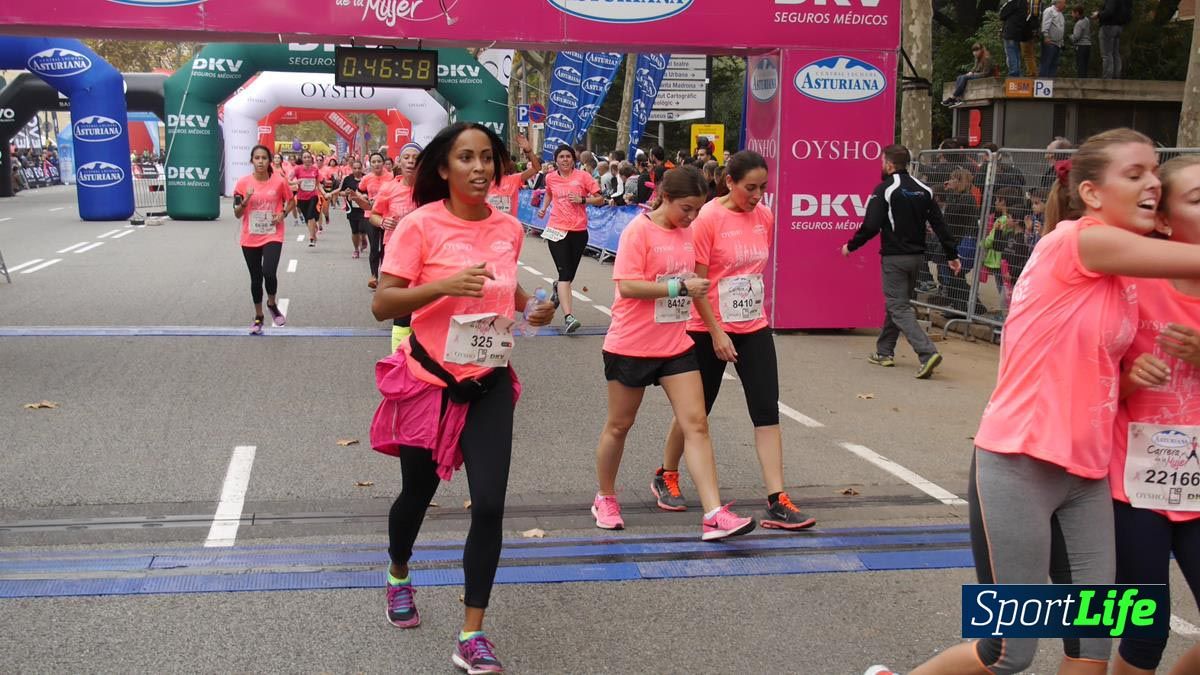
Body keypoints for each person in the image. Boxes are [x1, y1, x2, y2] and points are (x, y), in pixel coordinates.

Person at [870, 128, 1200, 675]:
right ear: (1092, 193)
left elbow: (1109, 374)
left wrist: (1136, 376)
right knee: (1008, 653)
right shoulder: (1076, 240)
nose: (1150, 185)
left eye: (1154, 175)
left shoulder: (1124, 281)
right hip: (1019, 464)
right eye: (1135, 173)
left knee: (1092, 642)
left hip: (1089, 474)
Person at [369, 121, 554, 675]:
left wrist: (530, 307)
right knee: (415, 497)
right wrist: (443, 287)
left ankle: (472, 634)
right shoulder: (419, 225)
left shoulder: (508, 227)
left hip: (489, 382)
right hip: (430, 386)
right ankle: (398, 569)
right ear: (444, 168)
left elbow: (505, 287)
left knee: (491, 505)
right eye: (466, 158)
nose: (479, 168)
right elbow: (384, 304)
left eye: (487, 158)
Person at [591, 165, 756, 541]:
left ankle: (713, 512)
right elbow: (628, 287)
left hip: (675, 346)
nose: (691, 217)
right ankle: (605, 497)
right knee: (619, 426)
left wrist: (713, 325)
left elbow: (696, 285)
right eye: (686, 208)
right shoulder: (638, 230)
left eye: (698, 209)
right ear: (665, 197)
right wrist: (677, 288)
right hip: (630, 344)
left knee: (696, 423)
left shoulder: (689, 232)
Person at [653, 152, 816, 530]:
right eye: (750, 188)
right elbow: (699, 283)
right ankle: (666, 473)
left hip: (753, 326)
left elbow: (752, 273)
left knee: (766, 410)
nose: (758, 195)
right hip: (705, 327)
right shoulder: (708, 218)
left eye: (763, 188)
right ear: (729, 181)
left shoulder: (765, 217)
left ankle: (777, 499)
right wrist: (716, 331)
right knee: (696, 412)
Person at [1110, 155, 1200, 675]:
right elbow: (1084, 384)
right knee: (1147, 630)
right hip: (1134, 488)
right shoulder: (1132, 284)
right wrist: (1126, 378)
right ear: (1164, 222)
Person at [842, 144, 960, 379]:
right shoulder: (924, 189)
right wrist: (951, 255)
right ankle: (883, 352)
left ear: (889, 164)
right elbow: (939, 224)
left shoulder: (885, 189)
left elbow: (871, 225)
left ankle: (927, 353)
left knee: (898, 306)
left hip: (894, 258)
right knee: (897, 303)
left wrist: (851, 245)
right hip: (917, 259)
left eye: (882, 162)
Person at [536, 144, 604, 334]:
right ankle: (569, 317)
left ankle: (558, 288)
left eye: (568, 157)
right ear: (556, 160)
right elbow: (549, 192)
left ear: (573, 159)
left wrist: (583, 200)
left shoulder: (583, 177)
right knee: (565, 273)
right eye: (561, 157)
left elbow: (600, 199)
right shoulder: (550, 177)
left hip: (579, 231)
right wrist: (544, 207)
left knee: (569, 274)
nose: (565, 159)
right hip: (556, 230)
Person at [232, 145, 293, 335]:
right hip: (250, 236)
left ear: (269, 160)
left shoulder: (279, 181)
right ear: (252, 161)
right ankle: (258, 316)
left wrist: (282, 214)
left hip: (272, 233)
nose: (260, 161)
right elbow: (237, 213)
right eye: (257, 158)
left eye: (264, 158)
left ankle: (272, 303)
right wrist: (245, 199)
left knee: (269, 271)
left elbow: (291, 201)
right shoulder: (243, 184)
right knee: (256, 277)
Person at [371, 143, 422, 352]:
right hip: (396, 254)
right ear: (399, 162)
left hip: (423, 255)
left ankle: (421, 353)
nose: (410, 161)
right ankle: (398, 357)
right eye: (406, 157)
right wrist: (383, 222)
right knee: (401, 306)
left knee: (421, 304)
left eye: (415, 158)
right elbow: (374, 215)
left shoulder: (429, 189)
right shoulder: (389, 188)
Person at [486, 133, 540, 218]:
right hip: (489, 228)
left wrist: (528, 150)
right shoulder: (483, 183)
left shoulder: (514, 179)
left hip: (509, 228)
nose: (497, 166)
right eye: (494, 162)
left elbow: (536, 168)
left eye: (501, 163)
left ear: (506, 165)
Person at [358, 152, 390, 289]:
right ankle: (373, 276)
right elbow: (359, 190)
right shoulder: (367, 178)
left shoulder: (391, 177)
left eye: (379, 161)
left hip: (386, 216)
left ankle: (384, 276)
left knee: (385, 248)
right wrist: (363, 197)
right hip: (370, 215)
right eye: (374, 162)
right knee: (374, 247)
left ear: (383, 163)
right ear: (370, 164)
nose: (376, 164)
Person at [333, 159, 369, 261]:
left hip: (364, 208)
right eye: (355, 168)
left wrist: (365, 196)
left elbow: (371, 191)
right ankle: (356, 249)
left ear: (362, 168)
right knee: (354, 230)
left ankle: (363, 238)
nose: (357, 170)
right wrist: (346, 192)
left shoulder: (366, 178)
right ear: (352, 169)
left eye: (359, 168)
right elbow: (341, 192)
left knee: (362, 228)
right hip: (352, 208)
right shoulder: (348, 179)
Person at [289, 151, 322, 247]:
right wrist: (296, 182)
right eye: (305, 157)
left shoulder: (315, 169)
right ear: (302, 159)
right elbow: (288, 180)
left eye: (308, 157)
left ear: (311, 159)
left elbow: (318, 183)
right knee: (308, 219)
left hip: (313, 196)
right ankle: (313, 232)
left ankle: (311, 237)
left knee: (310, 215)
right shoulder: (297, 169)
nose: (307, 159)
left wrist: (324, 193)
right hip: (301, 198)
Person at [1096, 0, 1132, 78]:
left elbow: (1109, 11)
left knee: (1106, 54)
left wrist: (1098, 14)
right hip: (1119, 27)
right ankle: (1116, 76)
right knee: (1115, 53)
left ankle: (1107, 78)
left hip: (1109, 26)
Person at [1000, 0, 1030, 75]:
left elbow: (1002, 14)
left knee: (1011, 53)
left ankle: (1014, 72)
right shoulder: (1025, 4)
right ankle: (1018, 72)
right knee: (1016, 53)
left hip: (1010, 32)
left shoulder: (1013, 2)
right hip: (1019, 32)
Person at [1040, 0, 1067, 77]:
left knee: (1054, 64)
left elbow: (1061, 28)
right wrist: (1046, 36)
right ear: (1058, 3)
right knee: (1046, 62)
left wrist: (1062, 42)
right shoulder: (1049, 11)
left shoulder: (1061, 14)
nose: (1065, 5)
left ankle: (1051, 82)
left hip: (1058, 43)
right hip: (1050, 42)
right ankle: (1044, 81)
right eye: (1064, 3)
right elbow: (1045, 24)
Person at [1071, 5, 1093, 77]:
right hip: (1088, 45)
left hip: (1081, 46)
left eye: (1073, 13)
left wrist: (1070, 37)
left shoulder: (1079, 23)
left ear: (1077, 13)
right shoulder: (1086, 20)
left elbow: (1076, 37)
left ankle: (1081, 82)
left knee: (1081, 65)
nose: (1072, 15)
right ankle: (1085, 80)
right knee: (1085, 65)